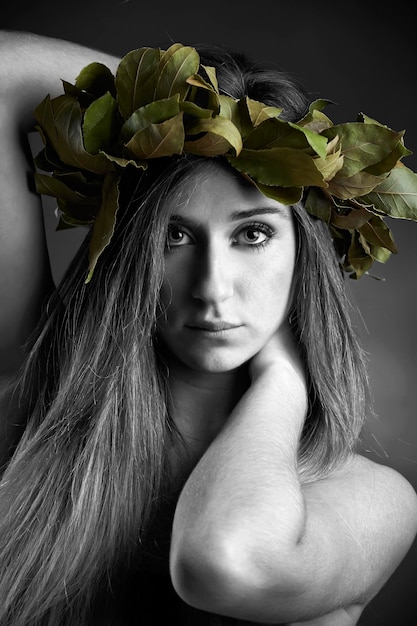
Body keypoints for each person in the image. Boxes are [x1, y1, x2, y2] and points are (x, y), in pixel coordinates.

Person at [0, 29, 416, 626]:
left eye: (253, 234)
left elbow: (225, 563)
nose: (212, 286)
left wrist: (284, 381)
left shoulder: (368, 499)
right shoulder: (33, 411)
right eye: (175, 235)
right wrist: (197, 108)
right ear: (129, 252)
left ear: (305, 251)